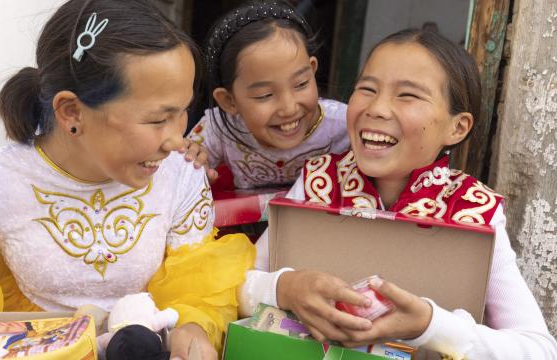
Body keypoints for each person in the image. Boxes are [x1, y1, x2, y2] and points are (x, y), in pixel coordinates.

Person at [0, 1, 254, 359]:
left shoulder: (181, 175)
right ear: (72, 112)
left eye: (183, 111)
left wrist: (195, 328)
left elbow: (198, 282)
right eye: (157, 119)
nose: (176, 138)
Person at [239, 29, 557, 359]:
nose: (377, 108)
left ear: (457, 127)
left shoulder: (475, 210)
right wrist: (285, 288)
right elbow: (236, 289)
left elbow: (539, 349)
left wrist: (430, 326)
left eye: (407, 95)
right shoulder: (318, 181)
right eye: (367, 89)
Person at [186, 1, 350, 189]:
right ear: (229, 101)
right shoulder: (217, 130)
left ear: (312, 71)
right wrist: (193, 169)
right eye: (265, 95)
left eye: (301, 84)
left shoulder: (346, 126)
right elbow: (177, 175)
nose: (289, 107)